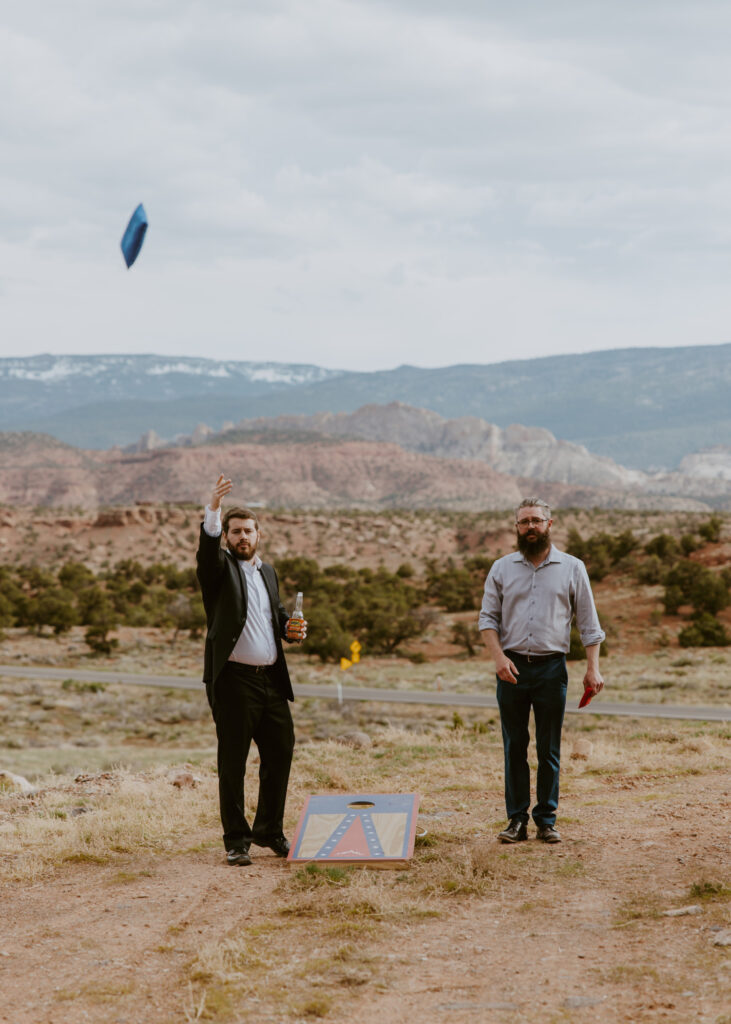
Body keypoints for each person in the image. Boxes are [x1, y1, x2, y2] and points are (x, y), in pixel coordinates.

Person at [479, 498, 605, 844]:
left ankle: (546, 821)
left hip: (552, 669)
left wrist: (593, 669)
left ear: (550, 524)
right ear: (517, 527)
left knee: (549, 748)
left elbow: (589, 624)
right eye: (524, 522)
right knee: (514, 745)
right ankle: (516, 821)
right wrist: (499, 659)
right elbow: (487, 619)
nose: (530, 527)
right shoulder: (501, 568)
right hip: (512, 669)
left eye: (536, 520)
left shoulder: (572, 567)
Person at [196, 474, 307, 866]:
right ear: (226, 536)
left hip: (271, 682)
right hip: (234, 683)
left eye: (249, 531)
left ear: (259, 535)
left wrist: (292, 630)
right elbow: (206, 550)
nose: (243, 537)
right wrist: (213, 509)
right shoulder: (218, 570)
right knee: (234, 761)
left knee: (281, 752)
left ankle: (268, 830)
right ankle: (236, 840)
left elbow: (274, 617)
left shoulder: (268, 572)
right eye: (236, 531)